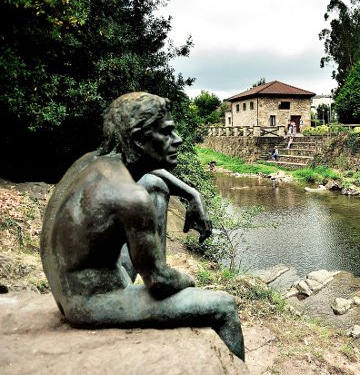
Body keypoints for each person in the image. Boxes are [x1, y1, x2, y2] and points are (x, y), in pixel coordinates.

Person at [40, 92, 245, 361]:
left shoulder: (92, 161)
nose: (178, 140)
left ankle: (154, 264)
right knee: (225, 307)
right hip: (91, 302)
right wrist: (187, 282)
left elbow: (150, 172)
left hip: (71, 284)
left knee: (155, 185)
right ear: (138, 139)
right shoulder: (131, 198)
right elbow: (161, 284)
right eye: (167, 132)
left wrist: (192, 193)